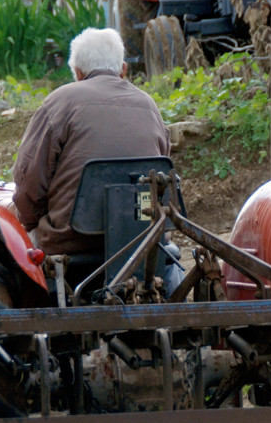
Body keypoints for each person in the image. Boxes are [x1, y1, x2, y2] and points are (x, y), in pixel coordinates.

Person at [12, 27, 171, 256]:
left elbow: (29, 182)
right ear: (123, 70)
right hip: (141, 241)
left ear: (77, 72)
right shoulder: (149, 105)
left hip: (69, 243)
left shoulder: (59, 102)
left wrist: (32, 222)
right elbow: (162, 176)